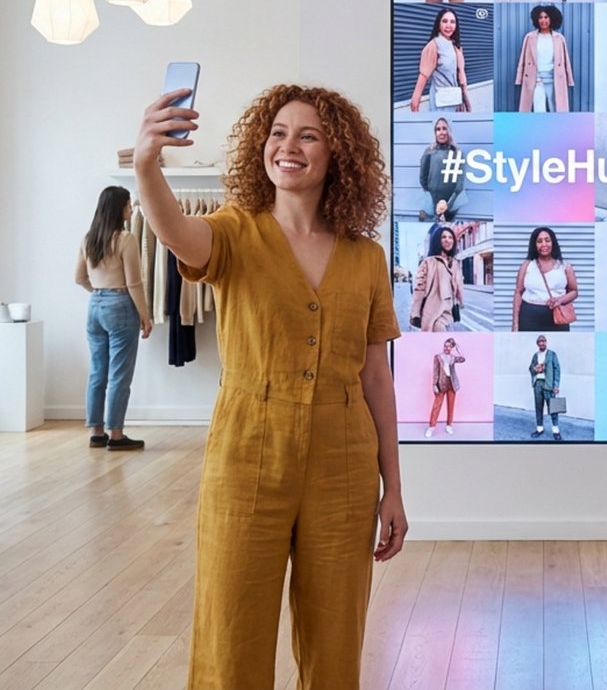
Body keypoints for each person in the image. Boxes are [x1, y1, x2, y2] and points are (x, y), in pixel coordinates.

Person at [135, 82, 406, 688]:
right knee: (231, 633)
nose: (289, 146)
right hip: (247, 451)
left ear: (338, 154)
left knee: (336, 640)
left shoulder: (365, 258)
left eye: (308, 135)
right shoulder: (233, 232)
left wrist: (394, 487)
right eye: (278, 133)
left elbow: (376, 376)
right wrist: (149, 162)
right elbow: (177, 233)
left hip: (345, 460)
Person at [74, 185, 153, 450]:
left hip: (94, 304)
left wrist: (99, 293)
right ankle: (116, 434)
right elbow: (134, 283)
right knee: (120, 374)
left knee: (98, 372)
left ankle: (97, 432)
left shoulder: (89, 238)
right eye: (128, 204)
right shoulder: (125, 239)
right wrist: (145, 315)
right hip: (120, 304)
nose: (131, 209)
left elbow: (79, 278)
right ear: (118, 208)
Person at [511, 226, 579, 332]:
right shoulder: (527, 266)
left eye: (547, 240)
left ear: (553, 243)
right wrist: (515, 323)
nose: (544, 244)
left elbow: (574, 291)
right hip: (529, 317)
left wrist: (560, 300)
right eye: (539, 241)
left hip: (557, 317)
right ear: (534, 244)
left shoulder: (565, 266)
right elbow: (518, 293)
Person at [514, 4, 575, 112]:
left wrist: (570, 79)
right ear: (536, 19)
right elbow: (522, 60)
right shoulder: (529, 37)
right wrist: (519, 78)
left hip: (554, 79)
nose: (543, 20)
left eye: (546, 17)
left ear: (552, 18)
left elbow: (566, 61)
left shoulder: (559, 38)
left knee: (556, 110)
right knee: (539, 110)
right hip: (536, 80)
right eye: (540, 17)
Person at [409, 7, 471, 113]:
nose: (449, 26)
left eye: (452, 22)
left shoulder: (456, 47)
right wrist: (416, 98)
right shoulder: (434, 45)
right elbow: (424, 75)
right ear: (439, 23)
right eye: (444, 21)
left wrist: (462, 98)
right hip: (442, 100)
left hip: (455, 99)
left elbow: (459, 76)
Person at [410, 224, 464, 333]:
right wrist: (415, 312)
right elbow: (419, 288)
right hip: (433, 310)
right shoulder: (428, 262)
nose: (447, 240)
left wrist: (458, 304)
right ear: (437, 241)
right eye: (443, 237)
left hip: (448, 311)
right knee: (436, 340)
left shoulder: (454, 263)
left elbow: (456, 288)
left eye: (450, 237)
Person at [418, 117, 466, 219]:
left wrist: (447, 205)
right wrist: (432, 199)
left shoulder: (457, 153)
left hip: (449, 206)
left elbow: (459, 184)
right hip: (430, 203)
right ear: (435, 132)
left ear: (449, 130)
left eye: (444, 128)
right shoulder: (429, 151)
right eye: (438, 129)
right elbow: (423, 178)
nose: (441, 132)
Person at [426, 337, 465, 438]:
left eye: (449, 346)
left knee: (451, 406)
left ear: (451, 347)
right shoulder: (438, 357)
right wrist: (434, 384)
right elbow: (435, 371)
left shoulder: (453, 357)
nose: (446, 348)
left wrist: (458, 349)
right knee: (436, 406)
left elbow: (463, 359)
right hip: (441, 384)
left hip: (452, 384)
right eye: (445, 345)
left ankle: (449, 425)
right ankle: (431, 427)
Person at [529, 334, 562, 440]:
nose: (542, 343)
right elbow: (530, 368)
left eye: (544, 341)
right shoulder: (535, 355)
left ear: (546, 342)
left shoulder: (552, 354)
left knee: (553, 408)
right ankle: (539, 428)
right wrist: (535, 369)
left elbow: (557, 370)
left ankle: (556, 431)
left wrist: (556, 385)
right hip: (538, 383)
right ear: (537, 344)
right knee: (538, 407)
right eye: (540, 341)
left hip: (549, 384)